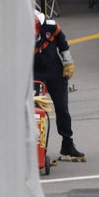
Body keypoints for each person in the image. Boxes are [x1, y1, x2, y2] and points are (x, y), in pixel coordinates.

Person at [34, 10, 84, 162]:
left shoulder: (50, 26)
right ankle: (36, 148)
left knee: (62, 108)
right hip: (32, 73)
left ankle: (67, 143)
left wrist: (68, 62)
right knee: (35, 112)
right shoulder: (15, 30)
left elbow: (63, 44)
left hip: (54, 70)